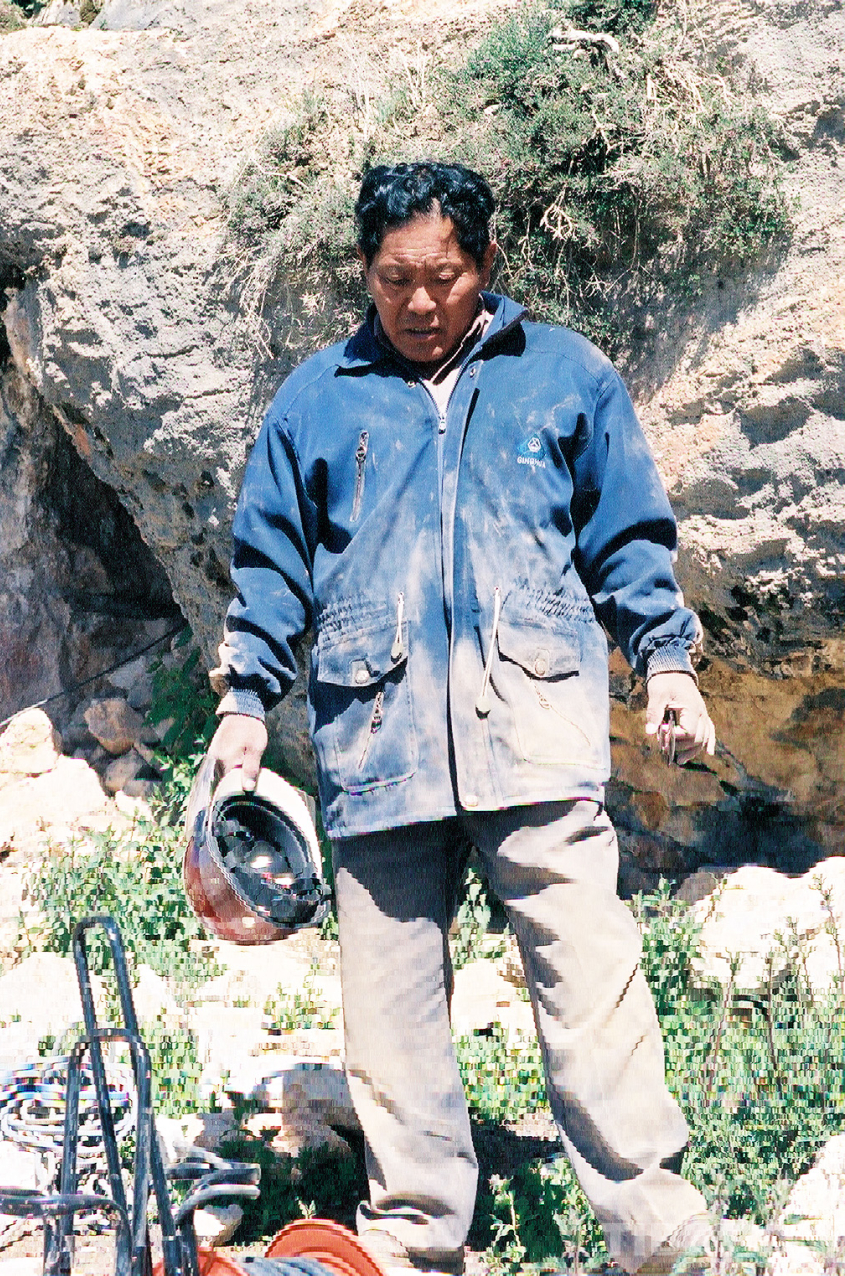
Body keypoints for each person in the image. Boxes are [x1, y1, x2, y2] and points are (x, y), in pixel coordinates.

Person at [207, 161, 716, 1276]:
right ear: (364, 272)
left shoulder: (565, 376)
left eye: (443, 276)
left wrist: (667, 665)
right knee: (390, 1019)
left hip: (534, 733)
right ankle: (413, 1236)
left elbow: (628, 542)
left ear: (487, 263)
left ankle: (660, 1234)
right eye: (396, 280)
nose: (420, 302)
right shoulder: (315, 401)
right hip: (377, 744)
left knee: (592, 989)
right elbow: (270, 569)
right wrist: (246, 701)